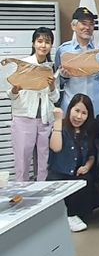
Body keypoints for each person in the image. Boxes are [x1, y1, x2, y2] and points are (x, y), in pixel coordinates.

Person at [7, 27, 59, 181]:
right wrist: (15, 90)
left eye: (47, 42)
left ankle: (43, 192)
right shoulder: (24, 64)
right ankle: (21, 192)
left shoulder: (51, 67)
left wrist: (52, 86)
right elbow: (10, 94)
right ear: (33, 43)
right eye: (40, 41)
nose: (43, 45)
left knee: (44, 162)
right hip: (24, 117)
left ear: (51, 45)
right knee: (23, 161)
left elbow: (55, 98)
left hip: (45, 120)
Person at [47, 94, 97, 233]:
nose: (79, 116)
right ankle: (66, 217)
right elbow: (56, 148)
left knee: (87, 181)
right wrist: (57, 121)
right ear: (70, 109)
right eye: (77, 111)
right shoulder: (60, 127)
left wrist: (87, 166)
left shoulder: (88, 131)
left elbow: (91, 155)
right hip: (60, 173)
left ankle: (73, 215)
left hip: (77, 174)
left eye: (84, 113)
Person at [54, 7, 99, 115]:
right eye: (83, 23)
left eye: (91, 24)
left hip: (97, 106)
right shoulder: (63, 50)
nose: (87, 27)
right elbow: (57, 82)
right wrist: (64, 77)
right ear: (73, 26)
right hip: (71, 106)